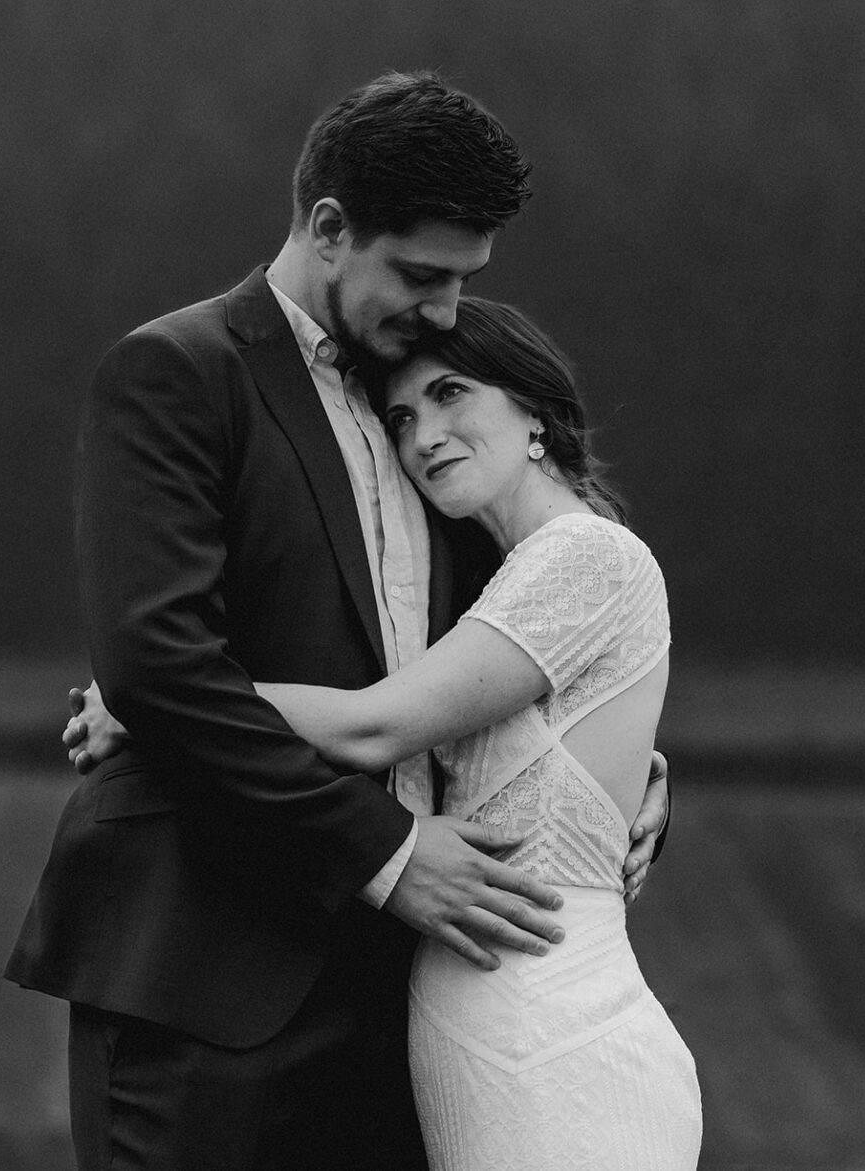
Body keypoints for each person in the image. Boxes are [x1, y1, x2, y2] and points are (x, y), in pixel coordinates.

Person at [7, 70, 669, 1171]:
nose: (446, 311)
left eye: (464, 282)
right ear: (327, 228)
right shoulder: (177, 374)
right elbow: (160, 664)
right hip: (209, 982)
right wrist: (392, 856)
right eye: (421, 274)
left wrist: (627, 784)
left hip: (406, 1003)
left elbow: (529, 643)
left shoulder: (434, 416)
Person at [71, 297, 699, 1170]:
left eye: (451, 395)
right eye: (402, 417)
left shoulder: (583, 557)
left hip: (550, 1025)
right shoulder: (499, 575)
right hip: (460, 1025)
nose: (424, 435)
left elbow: (379, 725)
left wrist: (150, 695)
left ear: (538, 417)